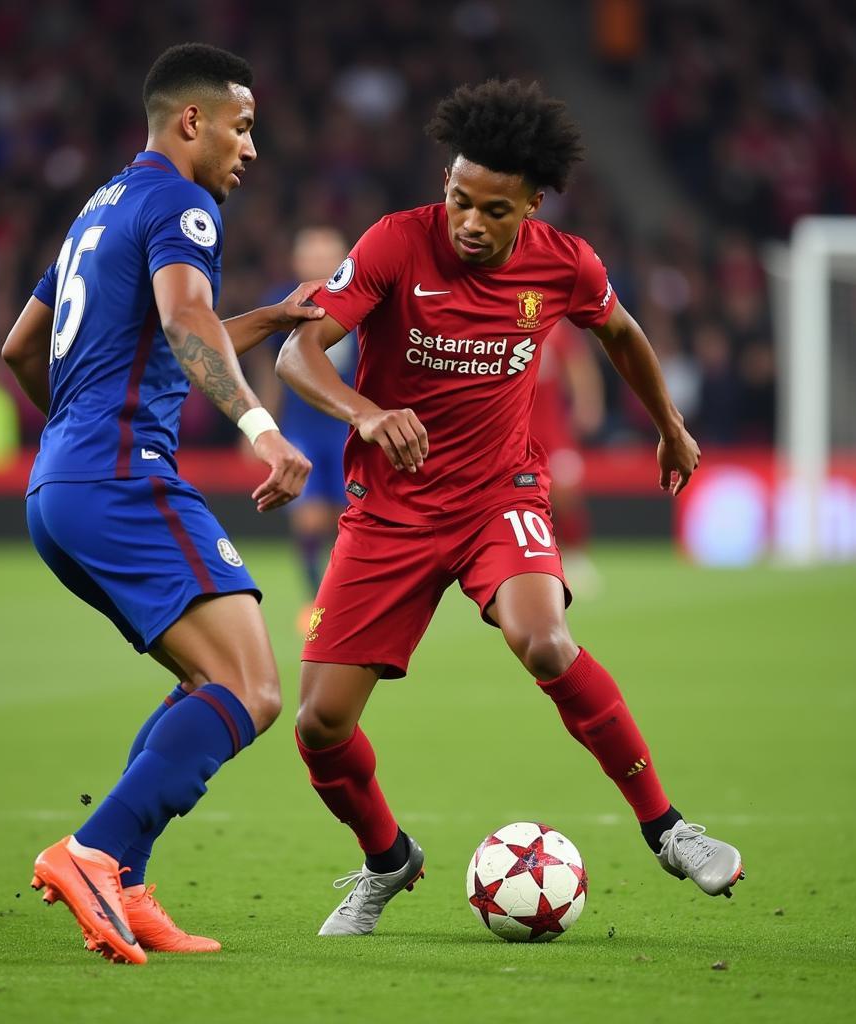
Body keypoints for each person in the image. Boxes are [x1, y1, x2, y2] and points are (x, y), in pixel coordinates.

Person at [277, 79, 744, 938]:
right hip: (390, 512)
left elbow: (623, 334)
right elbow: (299, 351)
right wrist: (367, 414)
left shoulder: (565, 262)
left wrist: (671, 428)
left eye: (494, 208)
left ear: (532, 202)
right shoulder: (392, 244)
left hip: (501, 493)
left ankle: (668, 828)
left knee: (545, 638)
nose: (469, 221)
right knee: (319, 726)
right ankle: (388, 860)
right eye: (459, 198)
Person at [1, 43, 321, 964]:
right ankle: (93, 849)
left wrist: (264, 320)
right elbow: (184, 323)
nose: (251, 149)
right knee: (252, 690)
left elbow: (25, 348)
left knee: (203, 682)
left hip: (60, 489)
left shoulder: (98, 210)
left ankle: (127, 882)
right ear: (193, 122)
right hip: (123, 478)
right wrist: (263, 429)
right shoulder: (184, 203)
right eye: (243, 126)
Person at [249, 226, 357, 615]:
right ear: (297, 261)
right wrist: (260, 424)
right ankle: (315, 601)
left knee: (343, 520)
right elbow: (270, 370)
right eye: (311, 254)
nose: (319, 262)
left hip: (348, 428)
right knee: (309, 518)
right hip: (303, 426)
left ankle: (340, 596)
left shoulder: (365, 301)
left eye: (327, 253)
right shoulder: (282, 303)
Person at [531, 318, 605, 597]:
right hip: (515, 433)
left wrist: (587, 404)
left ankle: (576, 556)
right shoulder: (500, 323)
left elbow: (579, 366)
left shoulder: (555, 329)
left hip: (552, 433)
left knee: (565, 492)